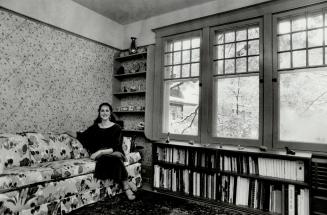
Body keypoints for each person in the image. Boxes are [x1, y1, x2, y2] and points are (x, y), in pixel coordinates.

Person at [76, 102, 136, 200]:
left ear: (110, 113)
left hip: (114, 152)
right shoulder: (95, 127)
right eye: (102, 110)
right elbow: (82, 136)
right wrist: (67, 132)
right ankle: (126, 183)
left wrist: (99, 152)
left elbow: (116, 146)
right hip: (104, 156)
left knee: (112, 158)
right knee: (110, 160)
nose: (104, 113)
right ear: (99, 113)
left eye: (107, 110)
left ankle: (126, 187)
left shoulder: (117, 127)